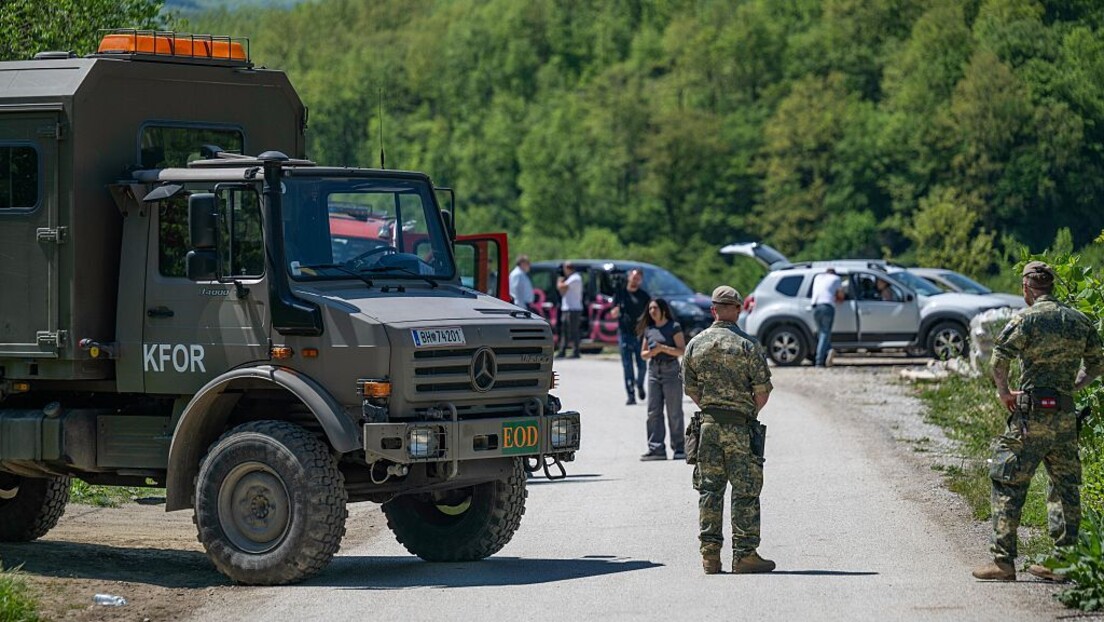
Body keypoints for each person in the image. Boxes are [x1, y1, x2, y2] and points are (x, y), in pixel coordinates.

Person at [972, 261, 1104, 582]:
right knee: (1064, 488)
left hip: (1030, 418)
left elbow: (999, 361)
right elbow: (1098, 362)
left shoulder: (1024, 319)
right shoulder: (1078, 320)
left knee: (1007, 481)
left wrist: (1004, 393)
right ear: (1051, 286)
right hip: (1063, 417)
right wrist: (1074, 386)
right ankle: (1064, 563)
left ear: (1027, 288)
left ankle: (1003, 562)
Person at [683, 285, 774, 575]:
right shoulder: (748, 346)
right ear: (736, 309)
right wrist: (746, 413)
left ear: (713, 310)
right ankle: (745, 555)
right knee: (745, 490)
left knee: (709, 491)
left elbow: (691, 389)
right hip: (739, 427)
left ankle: (710, 557)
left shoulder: (695, 344)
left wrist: (713, 409)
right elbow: (761, 392)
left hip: (708, 427)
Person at [638, 298, 686, 461]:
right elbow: (643, 354)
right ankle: (656, 448)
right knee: (653, 411)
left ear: (663, 310)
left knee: (674, 411)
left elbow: (681, 351)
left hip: (671, 370)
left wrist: (663, 348)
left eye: (655, 308)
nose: (652, 311)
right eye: (650, 308)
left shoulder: (674, 327)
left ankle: (679, 447)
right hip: (653, 371)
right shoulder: (649, 329)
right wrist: (652, 352)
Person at [611, 268, 651, 405]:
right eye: (634, 277)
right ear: (629, 278)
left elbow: (649, 314)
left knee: (642, 365)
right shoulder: (621, 294)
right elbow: (613, 311)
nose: (635, 280)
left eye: (638, 278)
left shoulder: (644, 296)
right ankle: (631, 395)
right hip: (625, 333)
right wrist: (615, 312)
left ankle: (639, 384)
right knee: (627, 366)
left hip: (640, 335)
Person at [810, 268, 844, 367]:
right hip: (827, 307)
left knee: (821, 333)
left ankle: (828, 352)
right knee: (825, 333)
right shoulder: (836, 278)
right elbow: (841, 295)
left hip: (815, 307)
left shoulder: (818, 277)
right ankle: (819, 361)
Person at [556, 261, 583, 358]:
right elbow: (562, 291)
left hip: (574, 309)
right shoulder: (570, 279)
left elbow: (561, 287)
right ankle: (562, 350)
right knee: (565, 331)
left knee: (574, 331)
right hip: (567, 307)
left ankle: (576, 351)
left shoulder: (575, 278)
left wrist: (559, 280)